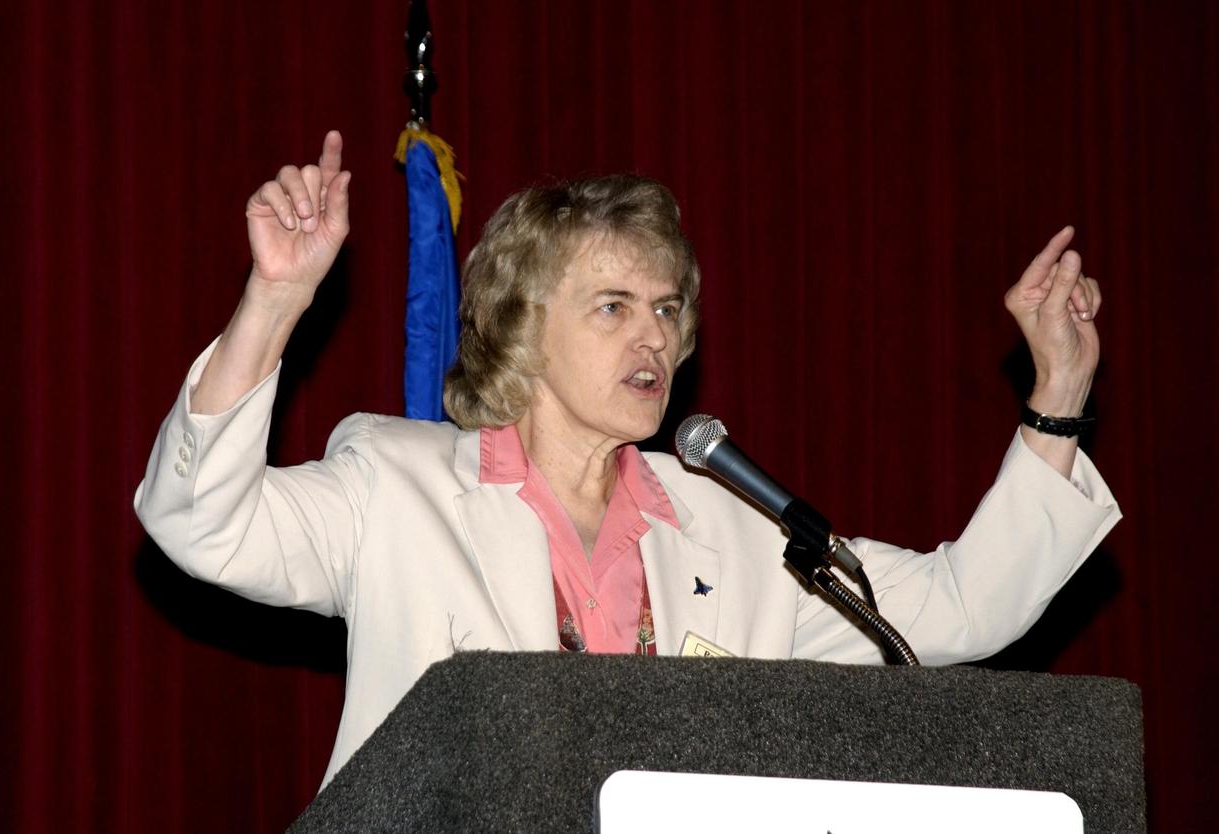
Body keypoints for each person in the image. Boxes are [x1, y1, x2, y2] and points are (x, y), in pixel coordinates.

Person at [134, 131, 1120, 787]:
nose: (650, 338)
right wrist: (273, 300)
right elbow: (200, 525)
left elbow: (959, 609)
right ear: (520, 327)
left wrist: (1059, 398)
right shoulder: (395, 487)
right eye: (612, 307)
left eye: (665, 309)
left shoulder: (736, 529)